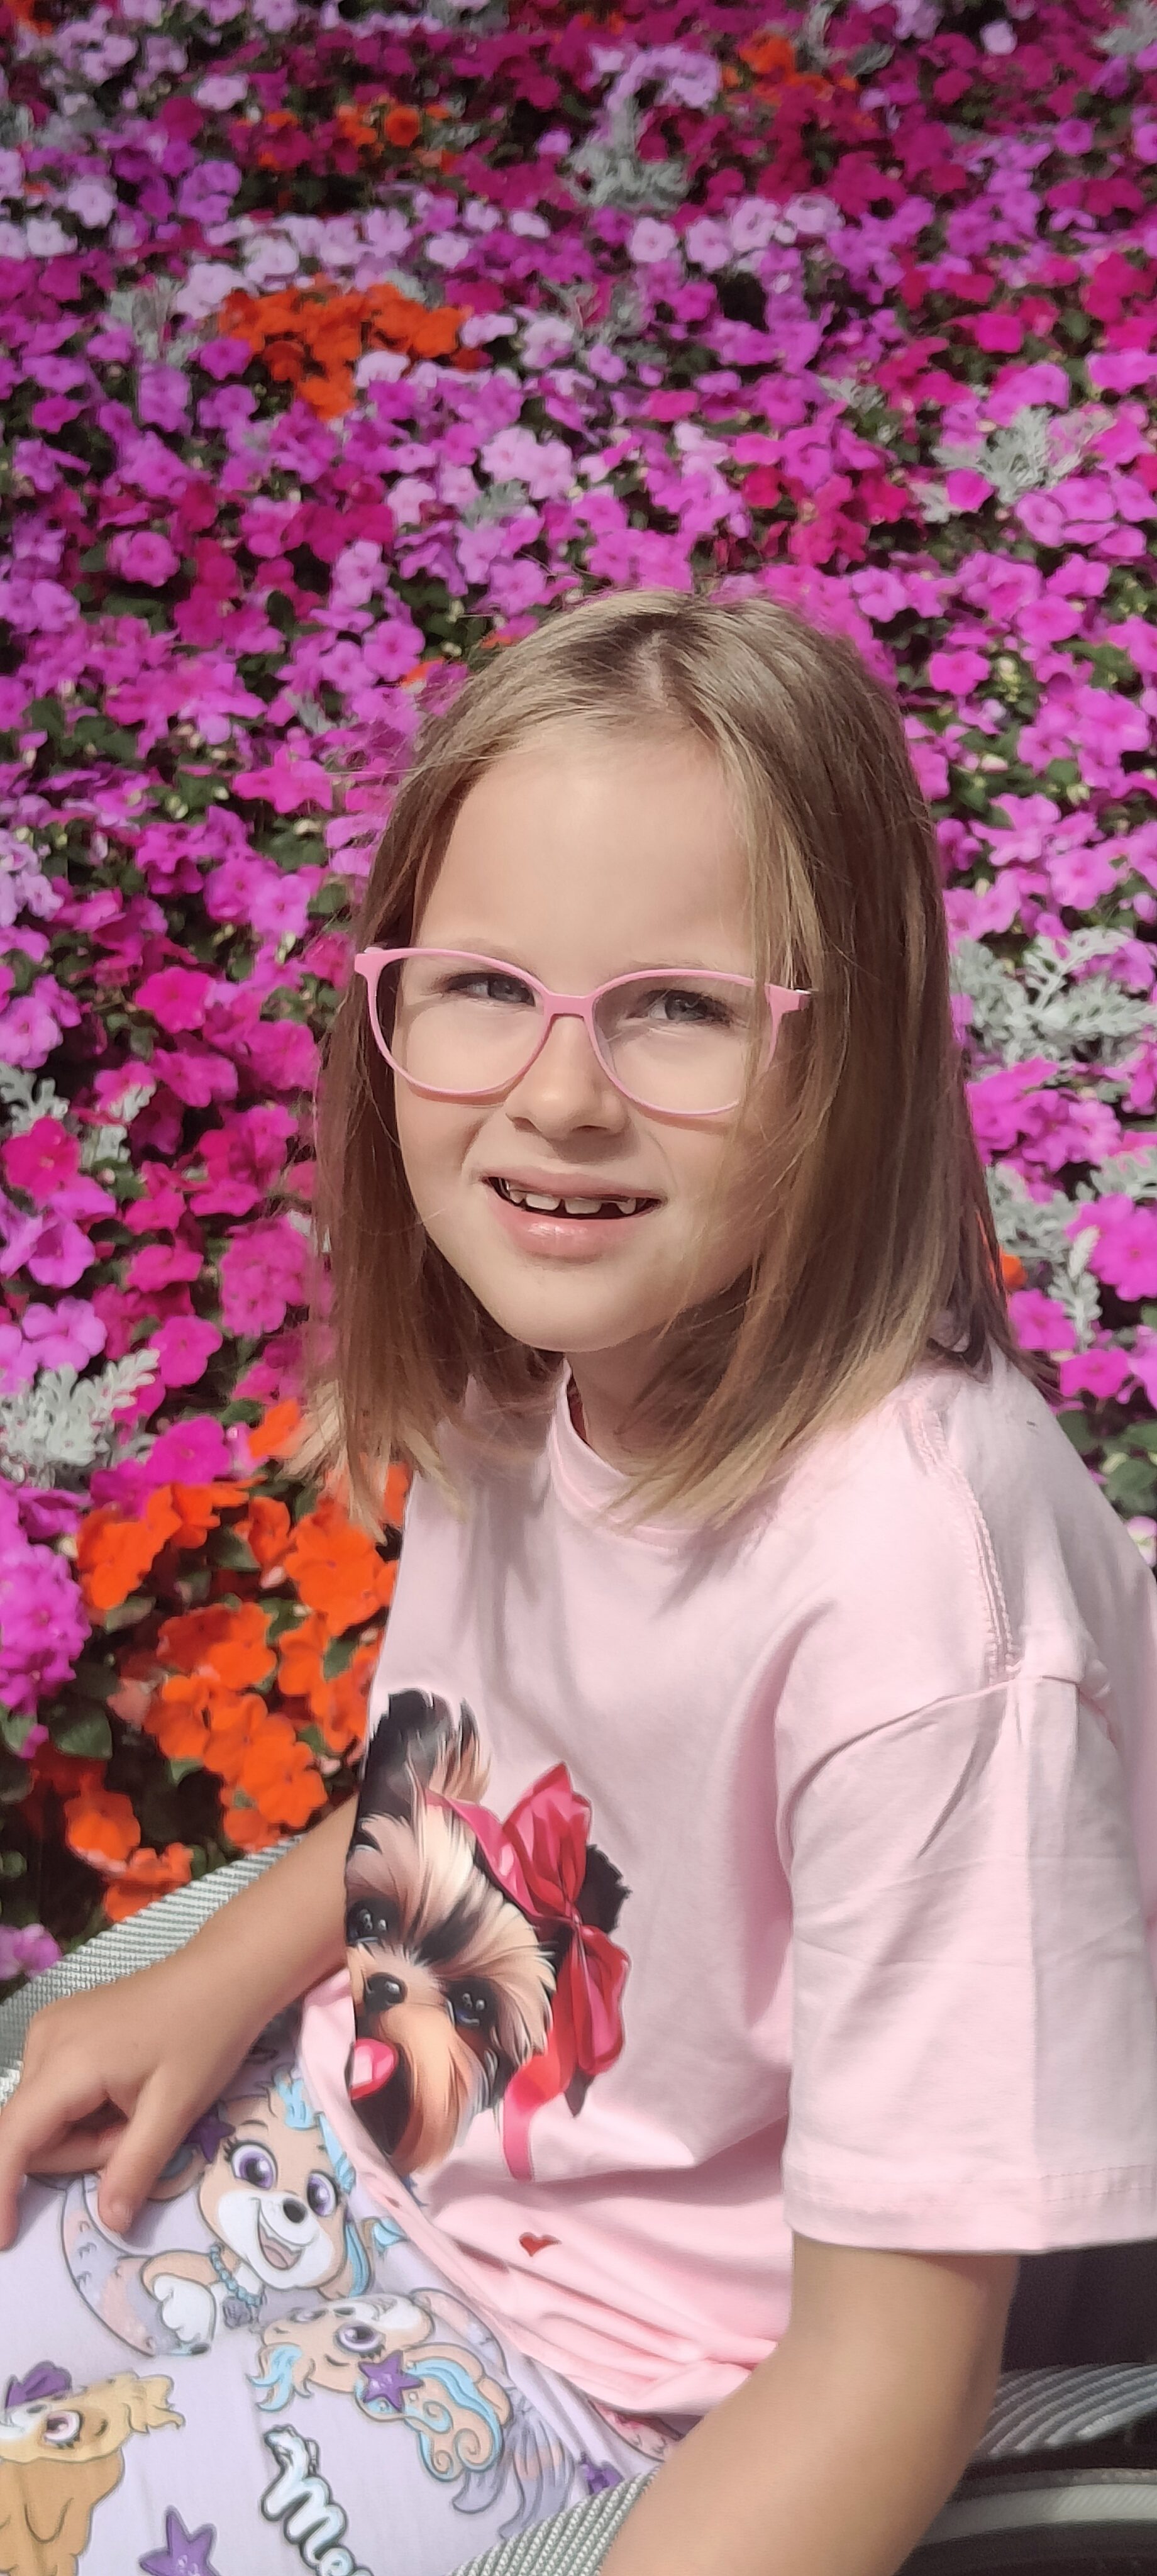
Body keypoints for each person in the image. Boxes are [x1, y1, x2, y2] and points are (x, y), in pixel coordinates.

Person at [2, 584, 1157, 2576]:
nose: (558, 1096)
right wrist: (211, 1975)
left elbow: (891, 2363)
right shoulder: (538, 1356)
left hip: (608, 2386)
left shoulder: (923, 1598)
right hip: (357, 2162)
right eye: (480, 984)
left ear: (857, 1054)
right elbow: (473, 1800)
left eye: (680, 1009)